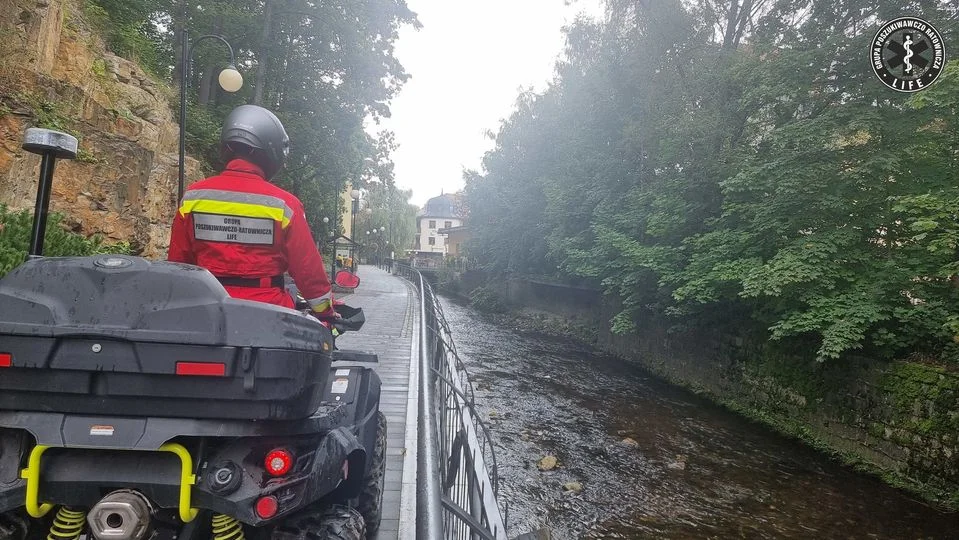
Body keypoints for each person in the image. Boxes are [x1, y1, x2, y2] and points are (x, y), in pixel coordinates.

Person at [167, 104, 335, 317]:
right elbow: (307, 269)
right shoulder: (284, 205)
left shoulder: (192, 198)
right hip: (268, 314)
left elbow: (178, 264)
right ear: (271, 151)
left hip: (205, 311)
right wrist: (326, 311)